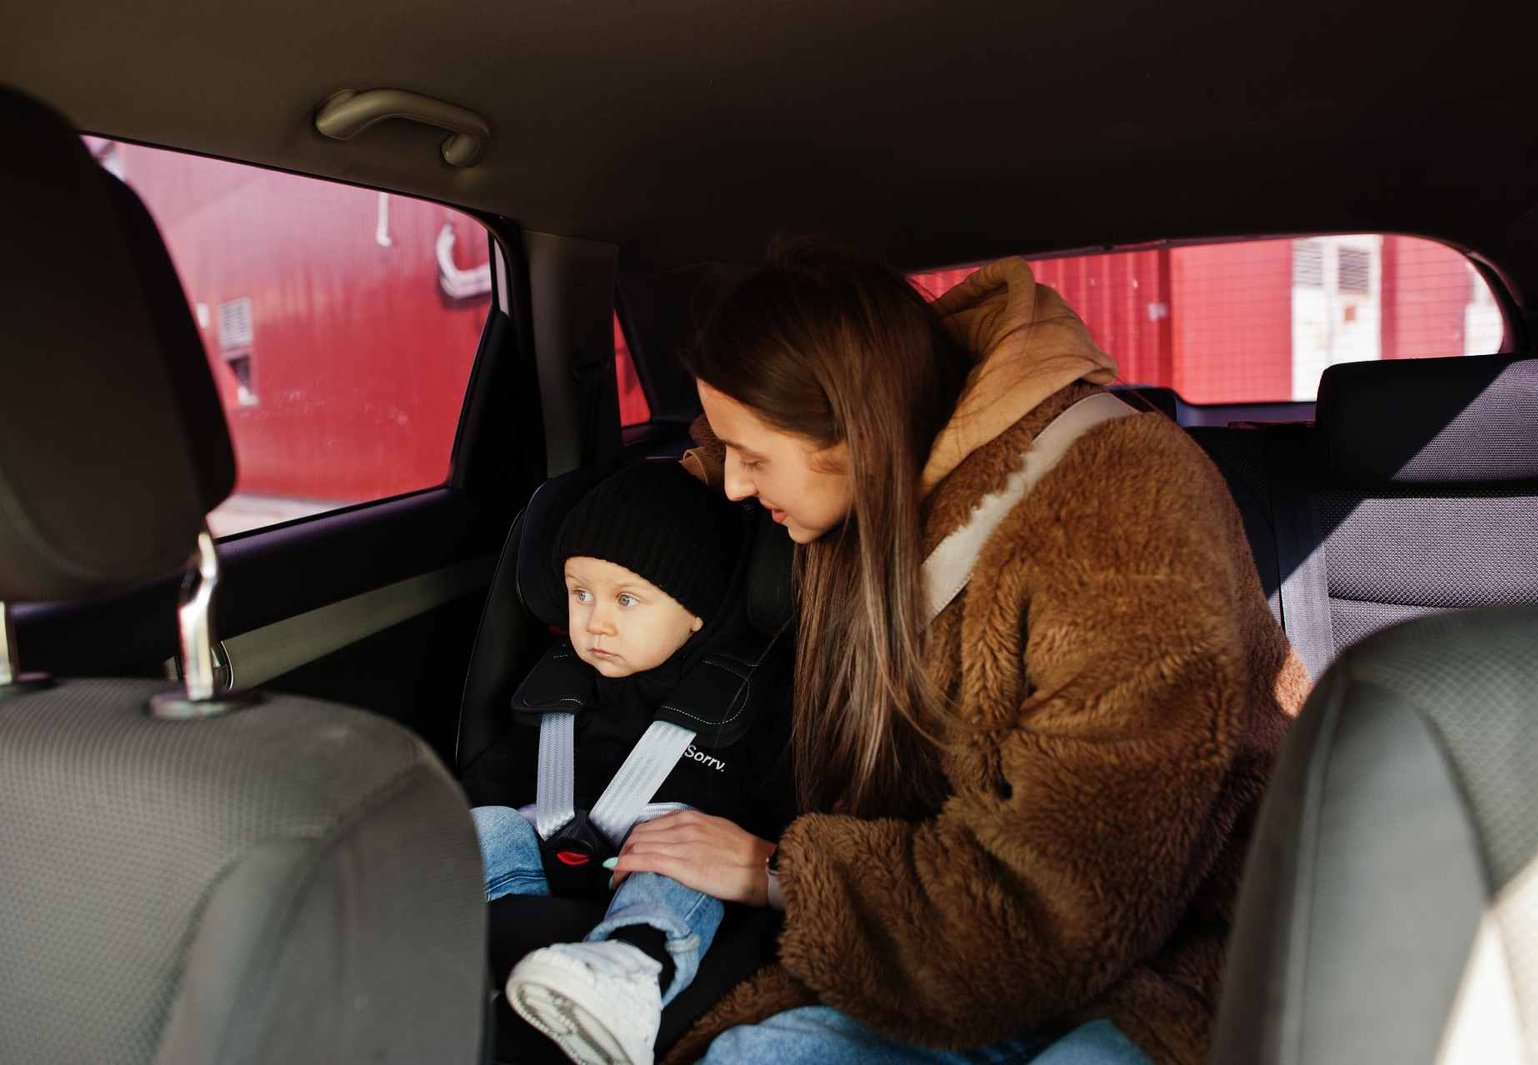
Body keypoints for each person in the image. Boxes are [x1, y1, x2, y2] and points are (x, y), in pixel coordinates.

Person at [604, 245, 1311, 1065]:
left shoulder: (1119, 520)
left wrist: (780, 872)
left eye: (753, 459)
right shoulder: (880, 478)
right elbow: (717, 464)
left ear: (856, 430)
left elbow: (1065, 907)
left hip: (1185, 960)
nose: (732, 483)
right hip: (965, 948)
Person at [462, 460, 793, 1065]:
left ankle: (627, 972)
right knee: (480, 823)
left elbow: (775, 810)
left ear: (695, 610)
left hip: (658, 868)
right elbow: (500, 773)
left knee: (679, 864)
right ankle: (453, 930)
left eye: (627, 599)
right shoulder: (559, 684)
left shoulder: (745, 700)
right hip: (535, 868)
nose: (596, 622)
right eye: (580, 593)